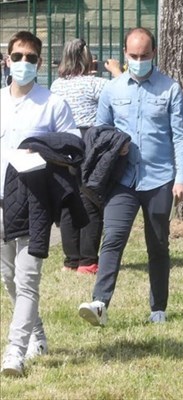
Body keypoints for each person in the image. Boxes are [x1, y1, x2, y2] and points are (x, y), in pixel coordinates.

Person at [76, 27, 183, 327]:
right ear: (125, 54)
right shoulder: (112, 90)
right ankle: (100, 303)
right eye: (133, 56)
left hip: (160, 179)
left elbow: (182, 136)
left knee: (158, 244)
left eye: (144, 55)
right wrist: (116, 143)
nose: (139, 60)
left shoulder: (170, 88)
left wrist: (181, 177)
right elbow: (98, 133)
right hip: (123, 180)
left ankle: (158, 308)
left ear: (153, 54)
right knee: (113, 238)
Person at [1, 30, 79, 376]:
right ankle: (37, 334)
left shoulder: (52, 103)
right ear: (7, 59)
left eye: (30, 58)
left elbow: (73, 148)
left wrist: (44, 152)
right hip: (2, 200)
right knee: (9, 278)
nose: (23, 63)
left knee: (28, 277)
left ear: (41, 63)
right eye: (17, 57)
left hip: (35, 201)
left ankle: (14, 353)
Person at [50, 38, 121, 275]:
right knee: (91, 198)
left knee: (69, 202)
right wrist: (116, 70)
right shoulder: (94, 84)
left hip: (63, 143)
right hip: (89, 141)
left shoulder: (57, 85)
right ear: (86, 59)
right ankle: (88, 260)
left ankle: (71, 259)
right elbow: (123, 92)